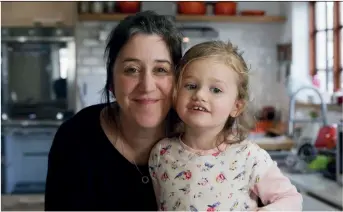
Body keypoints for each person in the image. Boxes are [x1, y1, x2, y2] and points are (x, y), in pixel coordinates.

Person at [44, 11, 182, 211]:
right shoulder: (75, 138)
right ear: (111, 81)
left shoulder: (197, 135)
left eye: (161, 70)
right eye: (131, 70)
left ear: (178, 80)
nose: (147, 86)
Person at [148, 41, 303, 211]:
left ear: (236, 106)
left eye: (216, 90)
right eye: (191, 86)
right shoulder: (161, 153)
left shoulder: (250, 157)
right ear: (176, 93)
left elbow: (291, 199)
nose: (199, 94)